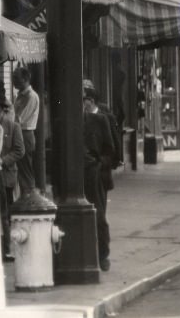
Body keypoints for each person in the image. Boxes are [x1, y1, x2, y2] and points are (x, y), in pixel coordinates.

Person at [83, 86, 116, 272]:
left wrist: (99, 164)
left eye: (85, 100)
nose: (83, 104)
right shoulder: (78, 120)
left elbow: (111, 149)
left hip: (97, 174)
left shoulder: (103, 119)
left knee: (100, 216)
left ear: (91, 101)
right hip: (81, 173)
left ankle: (103, 255)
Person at [0, 80, 24, 261]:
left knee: (4, 214)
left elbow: (19, 150)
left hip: (5, 175)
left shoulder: (12, 126)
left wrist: (2, 161)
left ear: (0, 108)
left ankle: (6, 249)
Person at [12, 66, 39, 197]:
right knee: (21, 168)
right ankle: (25, 195)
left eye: (17, 79)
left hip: (25, 134)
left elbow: (19, 118)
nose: (14, 82)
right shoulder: (20, 96)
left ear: (26, 79)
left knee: (25, 168)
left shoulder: (31, 96)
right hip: (19, 133)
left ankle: (29, 196)